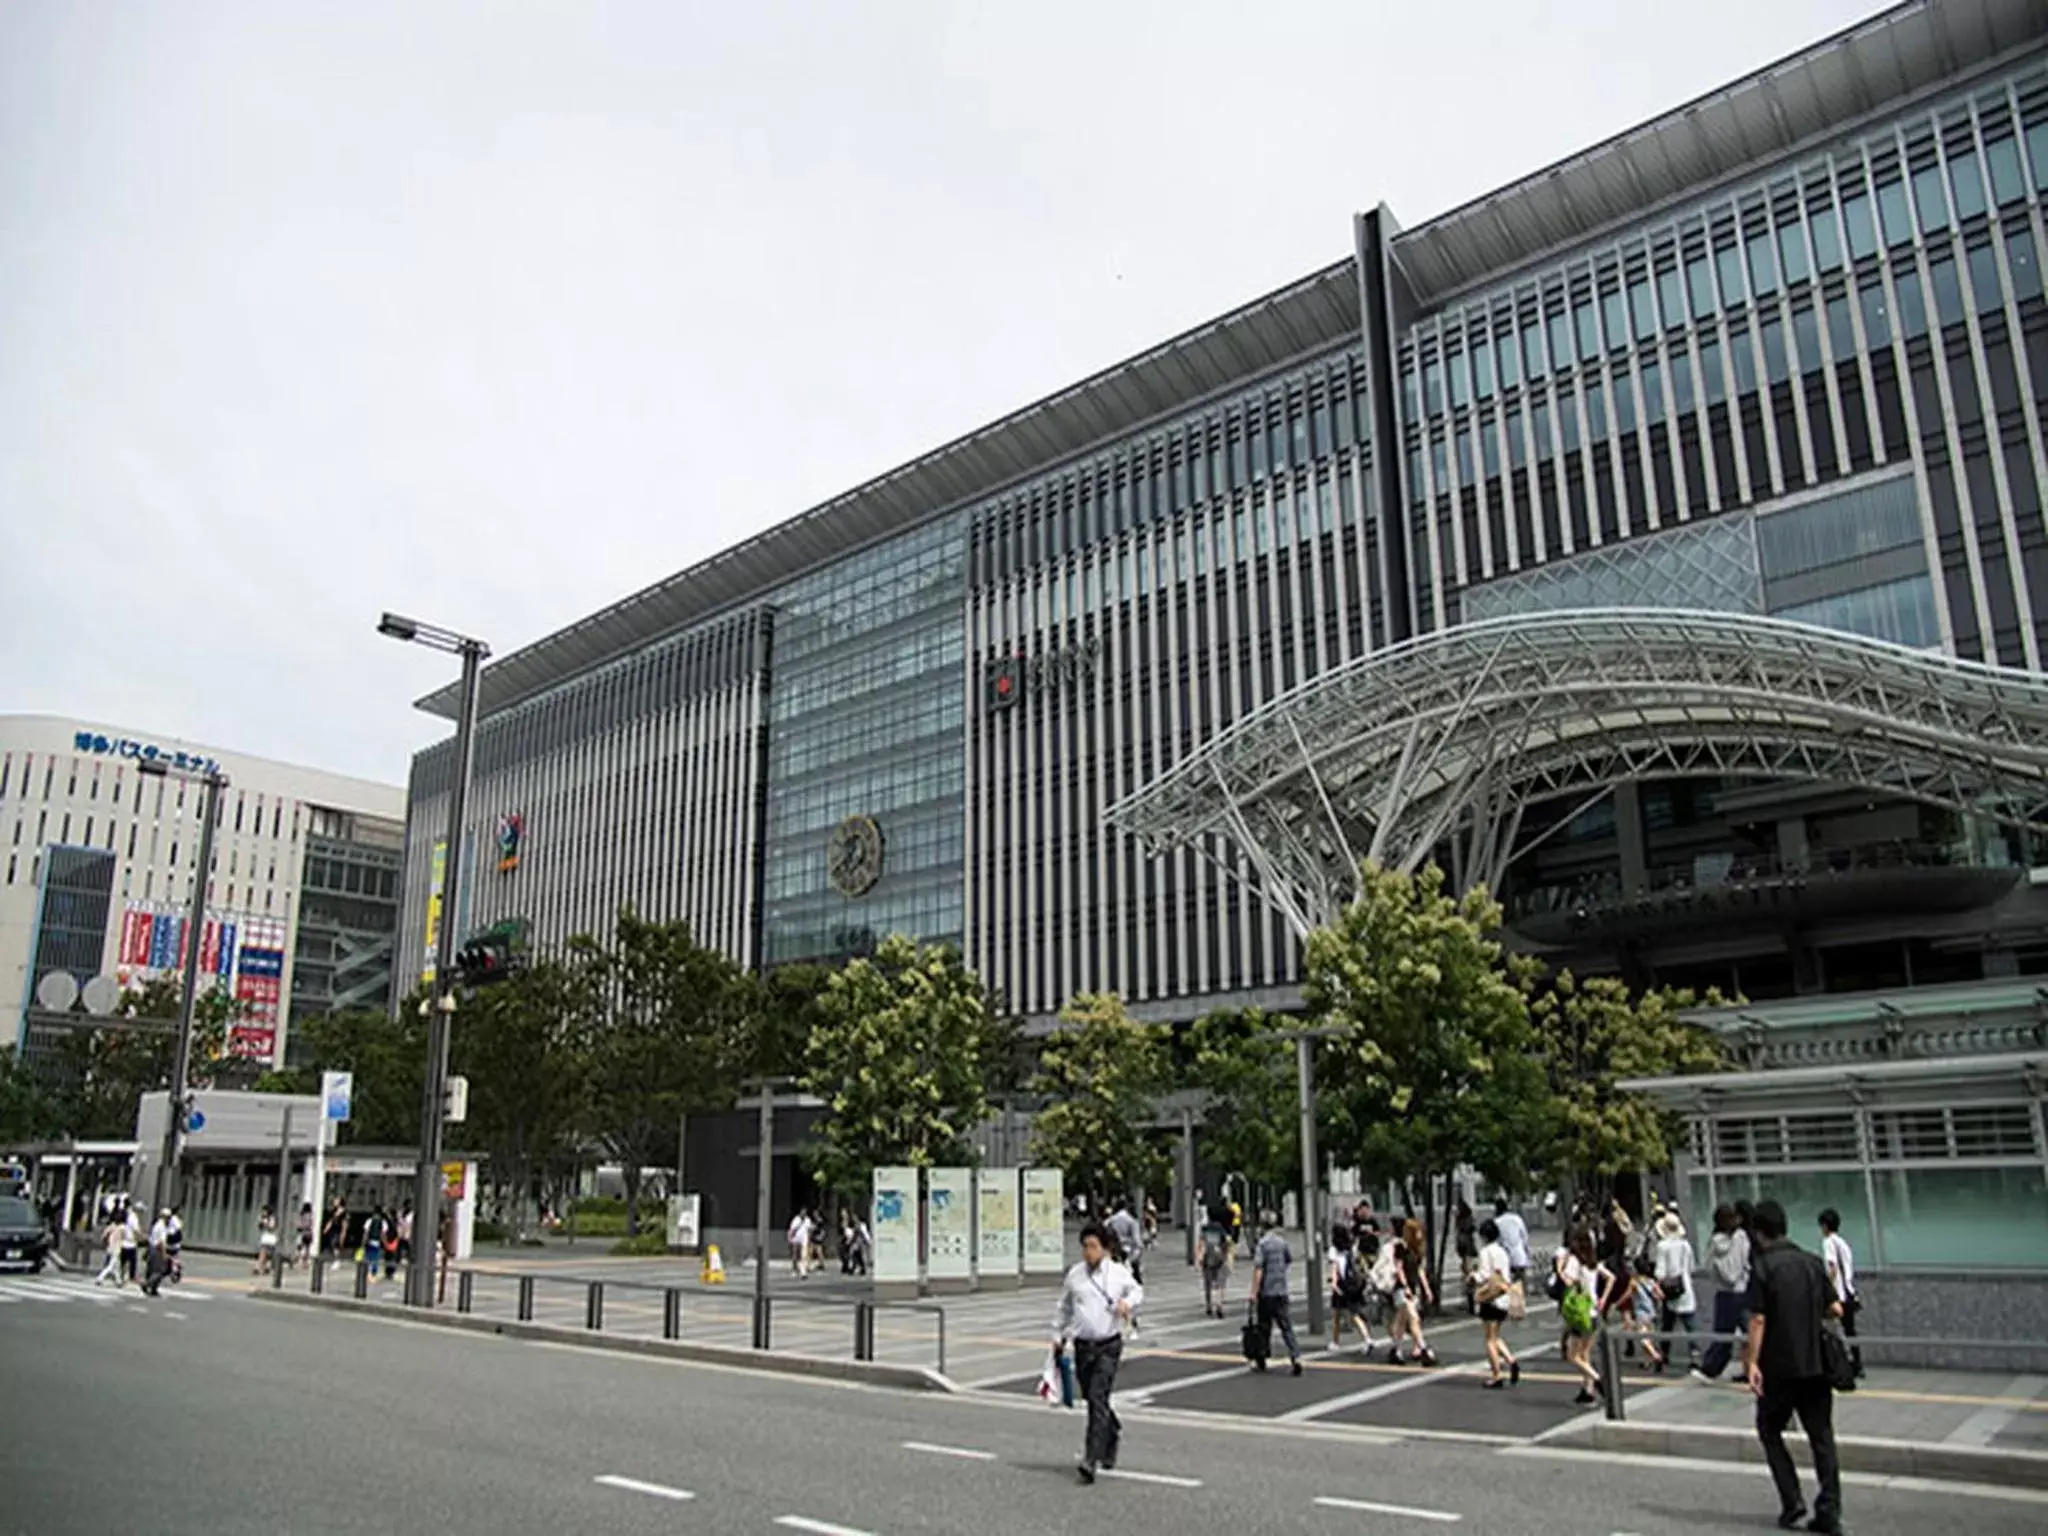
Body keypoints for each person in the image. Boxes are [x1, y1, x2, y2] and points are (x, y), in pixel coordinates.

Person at [1747, 1200, 1843, 1534]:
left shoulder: (1763, 1267)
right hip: (1816, 1363)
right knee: (1822, 1438)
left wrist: (1752, 1363)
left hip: (1778, 1367)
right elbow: (1836, 1309)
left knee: (1769, 1429)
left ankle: (1792, 1501)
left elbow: (1758, 1318)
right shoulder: (1812, 1262)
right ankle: (1829, 1509)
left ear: (1759, 1233)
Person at [1051, 1219, 1143, 1485]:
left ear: (1104, 1248)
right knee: (1094, 1399)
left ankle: (1091, 1458)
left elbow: (1137, 1290)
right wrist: (1058, 1335)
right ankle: (1112, 1430)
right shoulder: (1075, 1275)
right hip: (1083, 1345)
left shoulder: (1116, 1273)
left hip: (1108, 1344)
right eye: (1085, 1246)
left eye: (1093, 1246)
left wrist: (1127, 1302)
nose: (1088, 1252)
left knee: (1097, 1396)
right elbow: (1064, 1308)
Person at [1694, 1203, 1751, 1382]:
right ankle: (1757, 1367)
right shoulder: (1742, 1237)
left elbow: (1707, 1265)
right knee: (1750, 1331)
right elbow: (1743, 1263)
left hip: (1724, 1292)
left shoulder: (1714, 1241)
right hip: (1743, 1290)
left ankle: (1711, 1369)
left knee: (1723, 1334)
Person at [1555, 1220, 1608, 1405]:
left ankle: (1597, 1379)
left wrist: (1560, 1270)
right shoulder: (1593, 1262)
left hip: (1580, 1312)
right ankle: (1588, 1390)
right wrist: (1603, 1299)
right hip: (1593, 1311)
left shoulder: (1575, 1261)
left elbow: (1568, 1281)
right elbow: (1611, 1278)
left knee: (1573, 1355)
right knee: (1585, 1353)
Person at [1249, 1210, 1302, 1375]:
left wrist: (1253, 1292)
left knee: (1264, 1327)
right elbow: (1288, 1260)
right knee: (1286, 1327)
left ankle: (1262, 1359)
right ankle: (1295, 1357)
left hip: (1266, 1292)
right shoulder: (1281, 1242)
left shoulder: (1262, 1244)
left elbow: (1258, 1269)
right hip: (1281, 1290)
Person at [1472, 1217, 1521, 1388]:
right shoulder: (1502, 1251)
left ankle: (1496, 1374)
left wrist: (1472, 1277)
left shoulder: (1486, 1252)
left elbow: (1484, 1275)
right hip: (1503, 1297)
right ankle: (1511, 1359)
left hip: (1490, 1298)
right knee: (1495, 1335)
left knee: (1489, 1339)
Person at [1387, 1217, 1438, 1366]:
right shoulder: (1401, 1247)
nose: (1420, 1234)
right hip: (1401, 1289)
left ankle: (1396, 1350)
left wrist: (1426, 1289)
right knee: (1413, 1317)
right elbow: (1399, 1268)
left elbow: (1419, 1270)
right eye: (1417, 1231)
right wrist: (1405, 1287)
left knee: (1402, 1322)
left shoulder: (1417, 1250)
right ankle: (1424, 1349)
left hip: (1411, 1288)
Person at [1817, 1210, 1862, 1381]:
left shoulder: (1828, 1242)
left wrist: (1827, 1289)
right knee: (1850, 1330)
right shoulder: (1843, 1243)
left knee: (1830, 1329)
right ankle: (1857, 1364)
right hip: (1850, 1293)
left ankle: (1836, 1363)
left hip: (1838, 1295)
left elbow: (1832, 1267)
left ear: (1825, 1226)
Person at [1652, 1210, 1699, 1368]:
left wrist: (1657, 1285)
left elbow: (1660, 1271)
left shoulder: (1662, 1246)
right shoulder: (1685, 1245)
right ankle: (1695, 1355)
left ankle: (1664, 1354)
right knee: (1690, 1324)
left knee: (1667, 1323)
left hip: (1669, 1287)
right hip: (1685, 1285)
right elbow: (1691, 1266)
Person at [1327, 1224, 1374, 1355]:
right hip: (1354, 1284)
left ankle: (1337, 1342)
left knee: (1339, 1314)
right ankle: (1366, 1339)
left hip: (1342, 1285)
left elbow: (1334, 1269)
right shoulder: (1351, 1248)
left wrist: (1334, 1283)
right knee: (1353, 1312)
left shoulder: (1333, 1250)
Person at [1199, 1203, 1233, 1318]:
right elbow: (1227, 1243)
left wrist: (1198, 1257)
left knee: (1207, 1283)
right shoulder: (1222, 1229)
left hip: (1207, 1258)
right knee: (1220, 1283)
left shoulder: (1205, 1228)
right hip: (1220, 1258)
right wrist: (1228, 1257)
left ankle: (1209, 1306)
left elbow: (1201, 1243)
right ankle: (1219, 1305)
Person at [1493, 1197, 1531, 1288]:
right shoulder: (1516, 1218)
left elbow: (1497, 1241)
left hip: (1505, 1256)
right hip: (1519, 1254)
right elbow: (1524, 1236)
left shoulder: (1497, 1222)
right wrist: (1527, 1251)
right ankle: (1521, 1298)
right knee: (1521, 1281)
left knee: (1508, 1282)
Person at [1106, 1198, 1146, 1285]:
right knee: (1134, 1265)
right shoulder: (1131, 1220)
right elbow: (1136, 1239)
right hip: (1129, 1247)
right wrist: (1141, 1246)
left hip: (1115, 1246)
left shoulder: (1112, 1219)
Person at [1453, 1199, 1478, 1311]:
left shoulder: (1461, 1223)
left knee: (1468, 1277)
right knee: (1470, 1276)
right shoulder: (1469, 1220)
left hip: (1466, 1252)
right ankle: (1471, 1301)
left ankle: (1471, 1302)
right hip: (1469, 1252)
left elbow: (1461, 1237)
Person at [95, 1209, 125, 1286]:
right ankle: (100, 1278)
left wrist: (105, 1242)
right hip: (117, 1248)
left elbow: (104, 1235)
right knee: (111, 1266)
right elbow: (124, 1237)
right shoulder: (122, 1228)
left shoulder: (111, 1226)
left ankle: (118, 1281)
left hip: (110, 1247)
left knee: (116, 1266)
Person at [120, 1199, 140, 1284]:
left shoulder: (122, 1213)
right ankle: (131, 1276)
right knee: (132, 1261)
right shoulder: (132, 1216)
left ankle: (121, 1275)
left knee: (123, 1261)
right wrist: (141, 1237)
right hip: (130, 1242)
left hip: (122, 1241)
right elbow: (135, 1229)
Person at [255, 1206, 280, 1275]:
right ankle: (259, 1268)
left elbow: (273, 1227)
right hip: (265, 1237)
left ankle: (268, 1267)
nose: (263, 1212)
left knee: (270, 1254)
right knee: (262, 1252)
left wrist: (266, 1224)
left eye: (264, 1211)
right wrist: (261, 1223)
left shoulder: (272, 1218)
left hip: (272, 1237)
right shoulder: (262, 1218)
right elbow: (260, 1227)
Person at [787, 1209, 812, 1278]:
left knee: (803, 1256)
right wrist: (790, 1238)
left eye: (805, 1213)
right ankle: (794, 1269)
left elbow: (809, 1230)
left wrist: (809, 1240)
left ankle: (803, 1272)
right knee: (795, 1255)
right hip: (796, 1239)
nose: (803, 1214)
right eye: (802, 1212)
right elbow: (792, 1229)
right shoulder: (796, 1219)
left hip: (804, 1240)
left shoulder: (808, 1220)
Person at [165, 1206, 184, 1283]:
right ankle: (174, 1269)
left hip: (170, 1239)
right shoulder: (175, 1218)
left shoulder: (170, 1218)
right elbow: (179, 1228)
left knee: (172, 1255)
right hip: (173, 1240)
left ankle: (174, 1268)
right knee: (174, 1256)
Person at [295, 1203, 315, 1269]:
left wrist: (300, 1226)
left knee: (300, 1248)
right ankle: (304, 1262)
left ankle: (300, 1262)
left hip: (302, 1233)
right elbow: (310, 1224)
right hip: (308, 1233)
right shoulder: (310, 1215)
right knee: (306, 1248)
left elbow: (298, 1224)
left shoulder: (301, 1215)